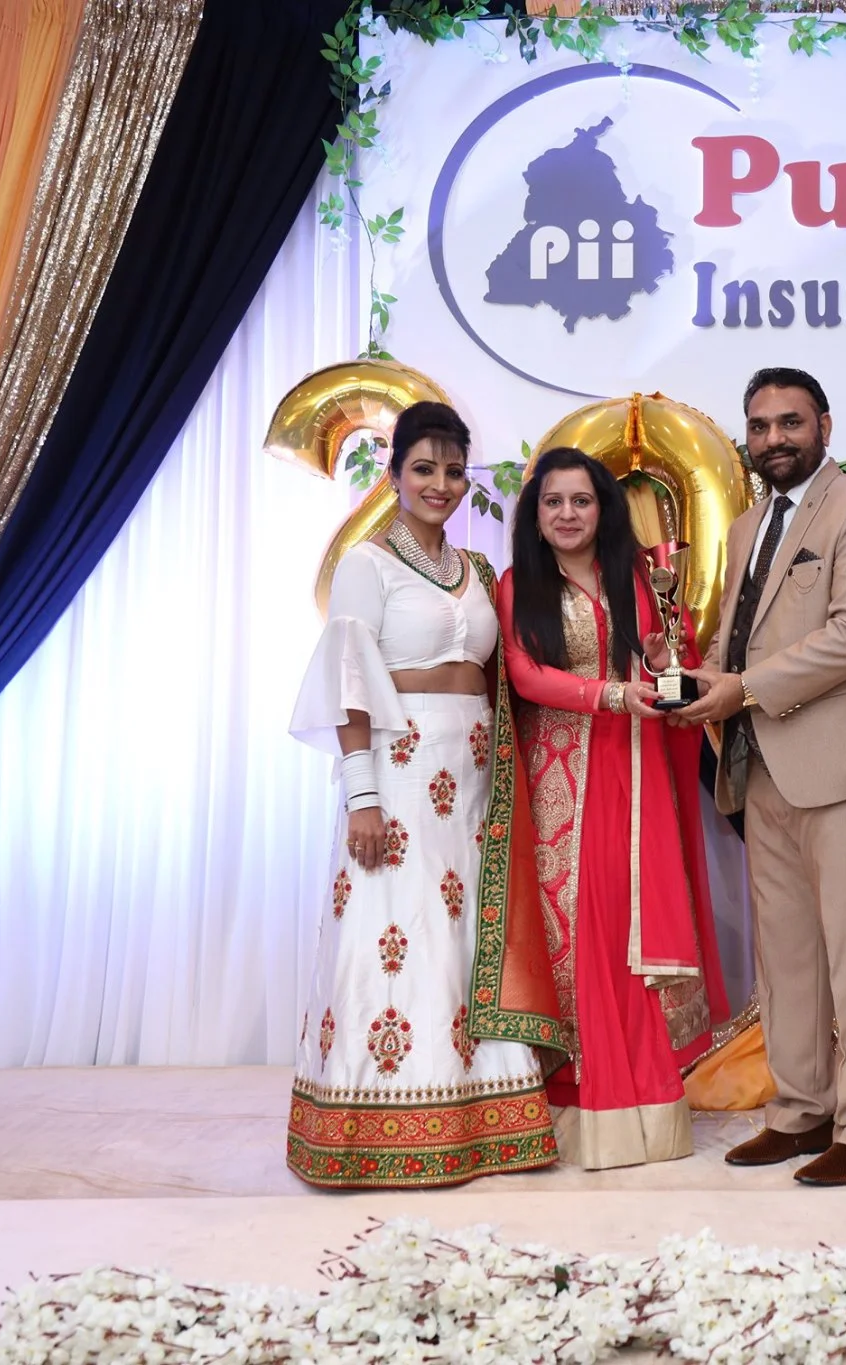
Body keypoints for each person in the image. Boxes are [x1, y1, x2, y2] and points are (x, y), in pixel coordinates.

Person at [286, 401, 565, 1188]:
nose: (439, 483)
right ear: (394, 475)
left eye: (451, 470)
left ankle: (481, 1121)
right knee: (391, 928)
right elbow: (348, 683)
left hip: (471, 777)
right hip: (398, 772)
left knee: (465, 939)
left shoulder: (475, 570)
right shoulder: (367, 565)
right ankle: (373, 1128)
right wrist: (362, 796)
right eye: (423, 468)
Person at [674, 367, 846, 1187]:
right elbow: (740, 638)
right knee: (786, 956)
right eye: (760, 425)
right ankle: (802, 1109)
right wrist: (701, 678)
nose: (773, 438)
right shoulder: (747, 526)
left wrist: (743, 688)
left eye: (790, 423)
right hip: (760, 764)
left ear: (825, 426)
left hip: (841, 766)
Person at [496, 447, 730, 1169]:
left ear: (603, 510)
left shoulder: (632, 576)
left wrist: (660, 656)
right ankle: (574, 1107)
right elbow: (524, 674)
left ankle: (645, 1109)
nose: (567, 514)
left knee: (631, 927)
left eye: (582, 500)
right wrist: (610, 693)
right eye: (553, 502)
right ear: (535, 515)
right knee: (576, 928)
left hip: (633, 767)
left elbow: (665, 663)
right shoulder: (518, 584)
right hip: (560, 774)